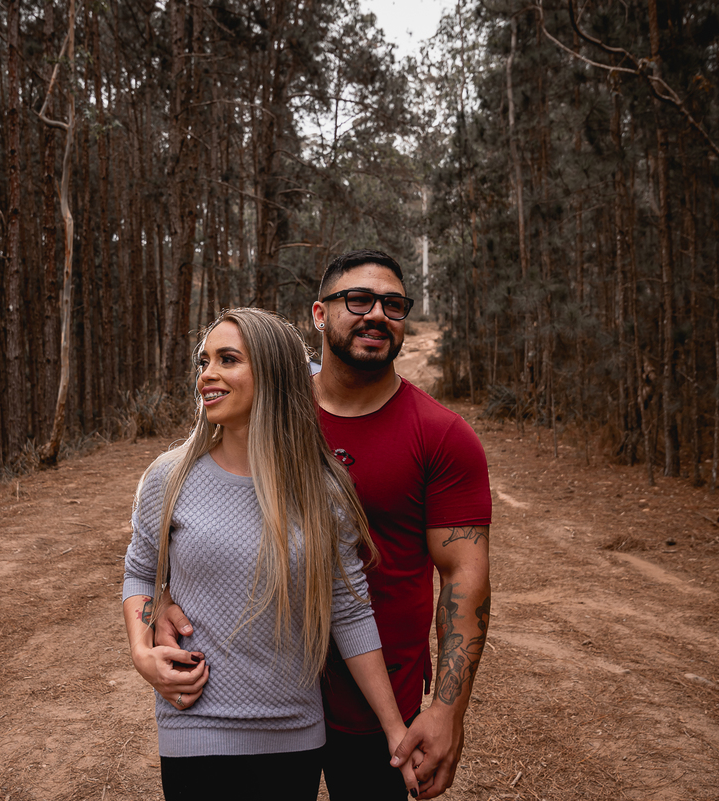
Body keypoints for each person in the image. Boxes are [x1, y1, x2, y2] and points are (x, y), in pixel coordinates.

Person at [158, 251, 492, 800]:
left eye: (394, 305)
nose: (377, 314)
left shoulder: (442, 436)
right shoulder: (259, 406)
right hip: (264, 692)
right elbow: (192, 515)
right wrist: (163, 599)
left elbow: (465, 576)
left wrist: (448, 710)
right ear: (318, 313)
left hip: (375, 697)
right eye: (358, 300)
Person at [122, 307, 419, 801]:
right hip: (194, 724)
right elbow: (139, 572)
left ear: (274, 374)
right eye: (204, 361)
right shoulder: (169, 477)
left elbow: (349, 610)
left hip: (293, 732)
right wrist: (141, 652)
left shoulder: (322, 490)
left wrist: (394, 729)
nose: (207, 374)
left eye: (228, 359)